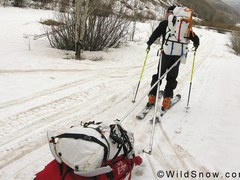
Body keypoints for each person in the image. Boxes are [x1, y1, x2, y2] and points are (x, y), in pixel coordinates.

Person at [146, 5, 199, 109]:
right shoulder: (184, 25)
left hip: (165, 54)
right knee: (171, 77)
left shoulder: (165, 23)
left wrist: (149, 43)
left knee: (159, 75)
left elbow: (155, 34)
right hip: (178, 56)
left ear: (169, 13)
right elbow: (195, 38)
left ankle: (152, 97)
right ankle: (167, 100)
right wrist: (196, 45)